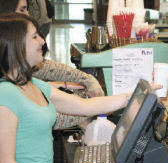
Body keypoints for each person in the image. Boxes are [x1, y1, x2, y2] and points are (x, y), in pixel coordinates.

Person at [0, 13, 160, 163]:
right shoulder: (6, 94)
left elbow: (86, 106)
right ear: (15, 44)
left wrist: (134, 95)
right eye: (35, 36)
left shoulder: (33, 85)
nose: (42, 41)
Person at [0, 0, 105, 130]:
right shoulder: (8, 91)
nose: (42, 41)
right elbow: (52, 118)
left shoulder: (21, 78)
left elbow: (49, 68)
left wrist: (87, 80)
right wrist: (98, 107)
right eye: (22, 9)